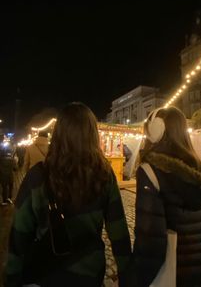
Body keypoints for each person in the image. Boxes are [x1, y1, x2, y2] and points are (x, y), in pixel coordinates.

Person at [4, 102, 131, 287]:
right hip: (90, 275)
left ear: (58, 135)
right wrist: (126, 275)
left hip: (46, 273)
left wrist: (12, 280)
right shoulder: (104, 174)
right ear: (92, 135)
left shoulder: (38, 176)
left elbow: (18, 239)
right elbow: (119, 232)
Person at [130, 106, 201, 287]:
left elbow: (150, 242)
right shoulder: (200, 171)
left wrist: (135, 278)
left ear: (156, 130)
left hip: (172, 275)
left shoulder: (151, 171)